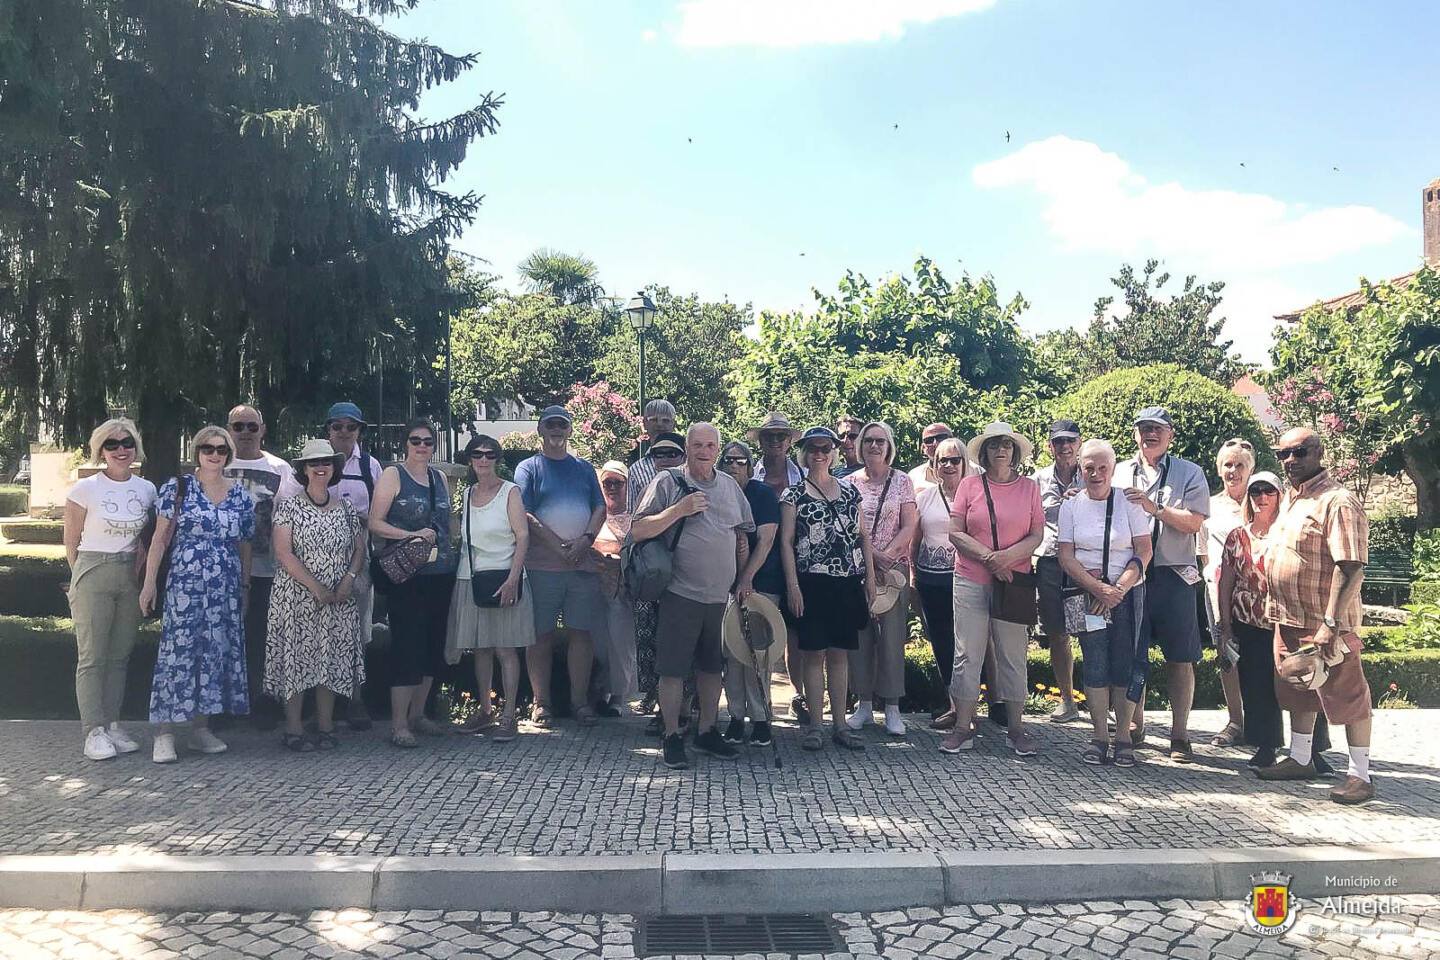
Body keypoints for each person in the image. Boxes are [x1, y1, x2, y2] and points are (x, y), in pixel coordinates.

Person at [1256, 428, 1376, 804]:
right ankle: (1301, 758)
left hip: (1325, 622)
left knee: (1348, 694)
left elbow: (1351, 566)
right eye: (1283, 454)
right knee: (1298, 691)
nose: (1290, 461)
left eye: (1300, 452)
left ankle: (1360, 776)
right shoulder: (1294, 500)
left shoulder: (1337, 501)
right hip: (1289, 616)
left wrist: (1330, 624)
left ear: (1319, 452)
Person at [632, 423, 755, 769]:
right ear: (687, 447)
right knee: (672, 670)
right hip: (679, 594)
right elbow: (638, 529)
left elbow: (743, 534)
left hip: (719, 598)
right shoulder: (668, 482)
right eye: (697, 444)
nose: (704, 450)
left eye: (710, 445)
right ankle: (672, 735)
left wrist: (743, 576)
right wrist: (679, 510)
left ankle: (706, 731)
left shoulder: (730, 487)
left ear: (717, 449)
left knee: (711, 668)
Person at [139, 426, 255, 764]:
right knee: (178, 654)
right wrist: (150, 583)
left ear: (229, 454)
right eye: (208, 447)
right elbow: (160, 540)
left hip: (225, 588)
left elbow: (245, 544)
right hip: (185, 586)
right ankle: (164, 733)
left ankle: (201, 729)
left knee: (215, 654)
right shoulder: (178, 489)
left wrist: (245, 586)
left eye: (221, 449)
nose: (214, 454)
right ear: (196, 452)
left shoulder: (240, 495)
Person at [941, 422, 1043, 757]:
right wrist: (988, 557)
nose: (1001, 450)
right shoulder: (970, 486)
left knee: (1013, 656)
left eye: (1007, 445)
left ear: (1015, 452)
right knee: (966, 654)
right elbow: (955, 531)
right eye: (994, 445)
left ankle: (1016, 728)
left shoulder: (1029, 488)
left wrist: (1005, 559)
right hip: (970, 578)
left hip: (1013, 582)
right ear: (984, 453)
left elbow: (1036, 534)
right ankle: (962, 727)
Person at [1113, 407, 1209, 763]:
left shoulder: (1190, 472)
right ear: (1134, 434)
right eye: (1143, 429)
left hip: (1173, 573)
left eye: (1157, 429)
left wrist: (1155, 509)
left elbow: (1194, 523)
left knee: (1181, 658)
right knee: (1130, 653)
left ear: (1170, 435)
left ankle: (1180, 734)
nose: (1149, 434)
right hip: (1131, 572)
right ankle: (1135, 726)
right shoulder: (1118, 470)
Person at [280, 401, 384, 730]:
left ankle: (355, 698)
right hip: (306, 569)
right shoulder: (305, 472)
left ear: (359, 430)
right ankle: (314, 710)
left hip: (356, 563)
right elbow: (290, 515)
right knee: (308, 638)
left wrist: (360, 524)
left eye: (350, 426)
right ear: (328, 429)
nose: (343, 432)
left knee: (355, 634)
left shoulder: (371, 467)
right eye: (337, 426)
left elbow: (381, 516)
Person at [264, 440, 367, 752]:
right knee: (296, 661)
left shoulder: (347, 509)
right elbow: (284, 553)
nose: (320, 468)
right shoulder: (289, 508)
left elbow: (359, 549)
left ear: (334, 468)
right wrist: (315, 587)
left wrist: (348, 579)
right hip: (296, 597)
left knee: (329, 661)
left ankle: (325, 725)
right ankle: (293, 728)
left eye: (326, 462)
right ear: (303, 470)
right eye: (313, 463)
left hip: (338, 598)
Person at [779, 427, 877, 753]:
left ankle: (840, 724)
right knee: (812, 655)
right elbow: (786, 543)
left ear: (834, 451)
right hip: (811, 581)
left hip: (846, 581)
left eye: (825, 447)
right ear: (804, 453)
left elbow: (863, 537)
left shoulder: (850, 493)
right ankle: (815, 726)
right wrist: (793, 586)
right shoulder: (793, 495)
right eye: (813, 448)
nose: (819, 453)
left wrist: (871, 578)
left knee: (840, 655)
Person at [64, 418, 157, 761]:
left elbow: (148, 538)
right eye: (112, 444)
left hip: (128, 573)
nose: (121, 449)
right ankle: (93, 730)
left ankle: (113, 724)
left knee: (119, 657)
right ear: (101, 450)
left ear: (136, 448)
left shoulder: (147, 489)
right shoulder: (85, 489)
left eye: (127, 443)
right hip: (93, 569)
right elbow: (71, 543)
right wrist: (80, 581)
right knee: (91, 657)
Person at [1057, 440, 1152, 767]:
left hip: (1126, 593)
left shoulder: (1129, 503)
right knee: (1095, 663)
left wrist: (1117, 590)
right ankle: (1099, 736)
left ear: (1112, 469)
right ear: (1080, 469)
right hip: (1085, 593)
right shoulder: (1070, 506)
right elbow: (1066, 556)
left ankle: (1123, 735)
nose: (1095, 474)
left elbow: (1144, 550)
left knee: (1125, 663)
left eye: (1102, 468)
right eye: (1089, 468)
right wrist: (1098, 589)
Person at [514, 405, 605, 727]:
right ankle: (541, 704)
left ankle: (580, 703)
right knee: (540, 635)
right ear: (540, 430)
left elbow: (599, 507)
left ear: (569, 430)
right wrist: (557, 545)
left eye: (561, 425)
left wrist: (585, 541)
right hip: (542, 566)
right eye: (550, 424)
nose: (556, 430)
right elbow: (523, 512)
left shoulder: (583, 468)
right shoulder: (529, 468)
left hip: (582, 566)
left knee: (582, 634)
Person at [368, 418, 455, 748]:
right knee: (407, 647)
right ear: (405, 444)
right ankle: (399, 723)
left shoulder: (440, 478)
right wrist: (411, 535)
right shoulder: (393, 475)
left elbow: (447, 523)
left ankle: (419, 713)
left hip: (440, 572)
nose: (422, 446)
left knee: (433, 646)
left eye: (428, 441)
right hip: (406, 576)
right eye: (416, 440)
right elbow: (375, 524)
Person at [445, 434, 532, 743]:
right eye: (477, 454)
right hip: (472, 578)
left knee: (505, 648)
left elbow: (522, 536)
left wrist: (512, 578)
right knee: (480, 647)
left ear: (498, 458)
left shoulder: (511, 492)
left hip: (505, 577)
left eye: (489, 454)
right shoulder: (466, 494)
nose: (483, 459)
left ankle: (509, 716)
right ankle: (485, 710)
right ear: (470, 459)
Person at [223, 404, 295, 731]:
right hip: (223, 570)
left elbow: (292, 514)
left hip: (269, 570)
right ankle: (223, 705)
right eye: (239, 427)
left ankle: (263, 701)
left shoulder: (280, 469)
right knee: (226, 638)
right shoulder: (216, 463)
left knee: (264, 638)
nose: (246, 433)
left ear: (263, 430)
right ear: (229, 429)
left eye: (252, 426)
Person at [846, 421, 918, 737]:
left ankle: (892, 708)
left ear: (889, 446)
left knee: (891, 638)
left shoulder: (902, 482)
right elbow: (847, 529)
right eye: (869, 440)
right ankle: (863, 705)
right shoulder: (848, 483)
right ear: (861, 446)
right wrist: (872, 556)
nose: (875, 446)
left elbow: (909, 524)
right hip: (859, 570)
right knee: (860, 638)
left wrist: (887, 555)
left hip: (893, 570)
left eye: (881, 441)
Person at [1217, 471, 1289, 770]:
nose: (1261, 497)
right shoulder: (1238, 536)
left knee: (1298, 682)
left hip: (1286, 619)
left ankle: (1311, 747)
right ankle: (1265, 745)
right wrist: (1226, 624)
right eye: (1256, 491)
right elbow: (1226, 582)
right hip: (1249, 619)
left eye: (1268, 492)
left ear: (1279, 496)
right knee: (1257, 685)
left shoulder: (1289, 532)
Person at [719, 440, 782, 746]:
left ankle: (760, 719)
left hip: (762, 584)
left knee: (757, 653)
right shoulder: (717, 492)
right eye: (728, 461)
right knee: (732, 654)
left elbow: (767, 540)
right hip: (723, 585)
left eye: (740, 461)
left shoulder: (762, 494)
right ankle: (734, 716)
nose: (733, 466)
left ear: (749, 464)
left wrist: (747, 579)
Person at [749, 412, 809, 722]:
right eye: (768, 436)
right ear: (759, 440)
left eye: (780, 436)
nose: (774, 441)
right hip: (760, 564)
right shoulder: (749, 474)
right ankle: (763, 703)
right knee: (760, 633)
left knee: (796, 634)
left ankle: (800, 697)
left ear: (789, 441)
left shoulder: (804, 474)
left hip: (799, 563)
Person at [630, 432, 688, 724]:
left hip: (686, 581)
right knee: (651, 644)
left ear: (683, 456)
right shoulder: (647, 489)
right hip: (653, 580)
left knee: (683, 648)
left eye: (672, 454)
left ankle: (685, 708)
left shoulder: (691, 487)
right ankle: (658, 705)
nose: (665, 459)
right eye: (658, 454)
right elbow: (636, 531)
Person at [1203, 438, 1257, 747]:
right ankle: (1236, 721)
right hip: (1219, 589)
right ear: (1219, 469)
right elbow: (1203, 552)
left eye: (1240, 464)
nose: (1233, 471)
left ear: (1251, 468)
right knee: (1227, 651)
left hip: (1257, 590)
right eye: (1228, 464)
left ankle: (1262, 722)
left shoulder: (1264, 500)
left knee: (1260, 654)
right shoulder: (1209, 505)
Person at [1031, 419, 1083, 724]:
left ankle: (1103, 702)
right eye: (1058, 441)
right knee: (1057, 634)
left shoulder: (1093, 474)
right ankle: (1068, 700)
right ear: (1050, 446)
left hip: (1085, 563)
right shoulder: (1037, 480)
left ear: (1079, 443)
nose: (1064, 447)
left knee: (1093, 631)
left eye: (1070, 441)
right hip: (1050, 562)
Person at [913, 437, 965, 731]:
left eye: (954, 460)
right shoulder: (925, 497)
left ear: (964, 463)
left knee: (967, 643)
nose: (948, 465)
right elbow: (915, 539)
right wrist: (911, 575)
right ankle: (953, 704)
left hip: (965, 577)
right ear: (934, 465)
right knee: (942, 642)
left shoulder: (975, 495)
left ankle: (968, 705)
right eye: (942, 460)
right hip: (931, 579)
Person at [588, 460, 637, 717]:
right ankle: (597, 692)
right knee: (597, 644)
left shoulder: (634, 517)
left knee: (620, 644)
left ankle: (619, 696)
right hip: (594, 587)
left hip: (622, 590)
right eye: (607, 483)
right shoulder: (593, 515)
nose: (612, 488)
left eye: (618, 483)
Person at [628, 399, 678, 472]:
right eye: (654, 420)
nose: (659, 424)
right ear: (645, 423)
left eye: (665, 420)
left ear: (673, 424)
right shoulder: (636, 470)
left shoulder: (688, 464)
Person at [907, 422, 955, 490]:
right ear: (923, 448)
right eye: (929, 440)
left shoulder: (972, 470)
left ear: (954, 441)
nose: (935, 443)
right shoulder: (914, 476)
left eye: (941, 438)